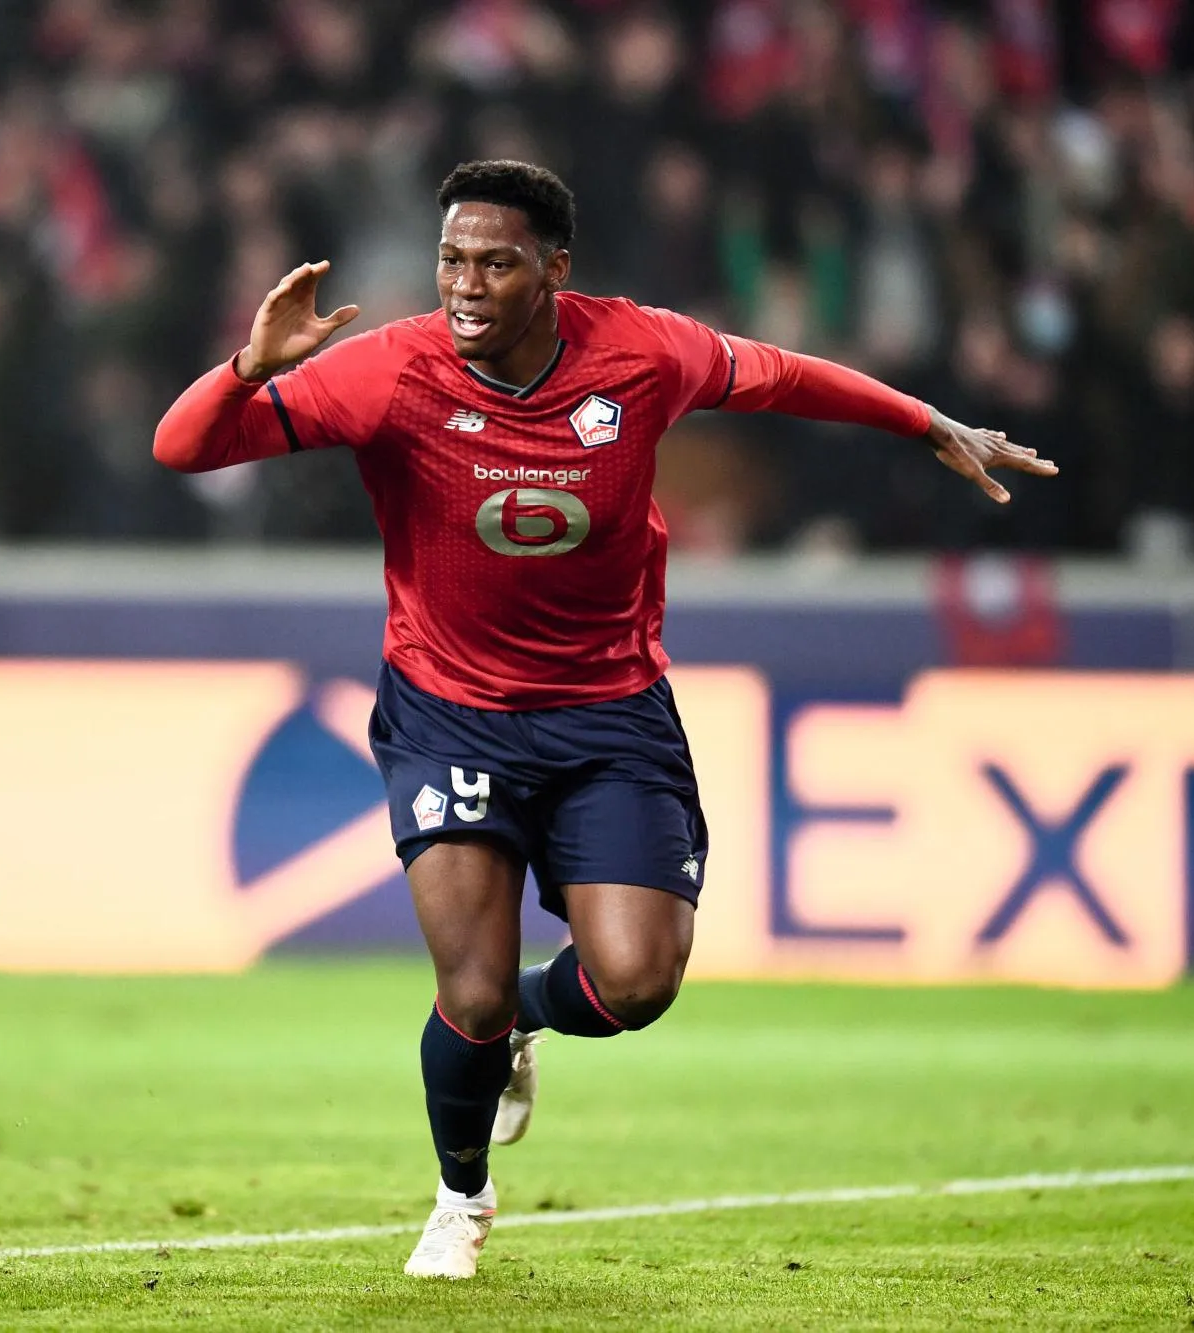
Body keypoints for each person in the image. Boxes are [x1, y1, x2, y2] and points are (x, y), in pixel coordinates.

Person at [152, 160, 1056, 1280]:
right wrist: (249, 367)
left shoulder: (638, 353)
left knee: (632, 984)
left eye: (494, 262)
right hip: (450, 717)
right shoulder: (386, 370)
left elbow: (779, 378)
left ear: (552, 269)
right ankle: (459, 1196)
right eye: (450, 261)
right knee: (466, 989)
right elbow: (182, 448)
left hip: (608, 717)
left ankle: (531, 1019)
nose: (465, 286)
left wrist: (921, 419)